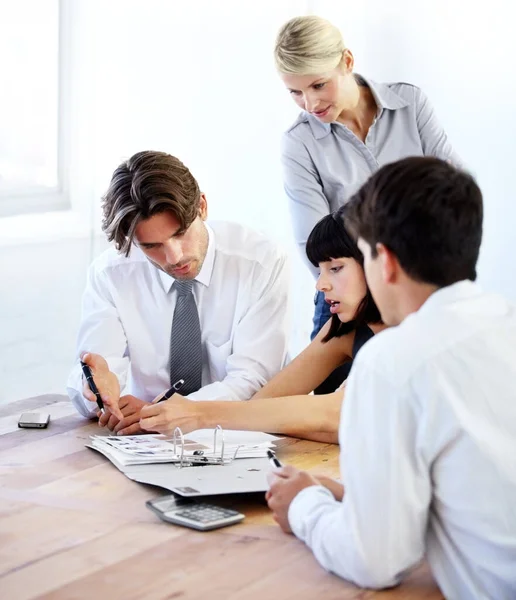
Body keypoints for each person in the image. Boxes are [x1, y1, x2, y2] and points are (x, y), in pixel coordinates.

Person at [266, 157, 516, 599]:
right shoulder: (502, 324)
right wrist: (349, 494)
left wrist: (304, 506)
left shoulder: (394, 359)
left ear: (385, 261)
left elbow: (374, 559)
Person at [274, 15, 462, 391]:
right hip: (351, 300)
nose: (308, 103)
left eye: (317, 84)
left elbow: (452, 198)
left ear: (346, 61)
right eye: (294, 92)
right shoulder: (300, 142)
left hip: (420, 291)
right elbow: (315, 243)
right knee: (325, 423)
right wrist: (365, 301)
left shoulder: (410, 104)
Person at [66, 150, 290, 427]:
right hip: (145, 439)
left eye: (181, 233)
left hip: (235, 433)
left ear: (202, 207)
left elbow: (255, 380)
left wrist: (165, 412)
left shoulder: (260, 263)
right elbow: (95, 369)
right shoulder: (111, 274)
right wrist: (97, 392)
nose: (174, 257)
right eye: (152, 246)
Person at [135, 207, 384, 442]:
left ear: (379, 262)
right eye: (320, 271)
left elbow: (342, 414)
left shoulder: (413, 336)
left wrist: (199, 414)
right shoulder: (343, 329)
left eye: (336, 268)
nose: (320, 285)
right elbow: (264, 403)